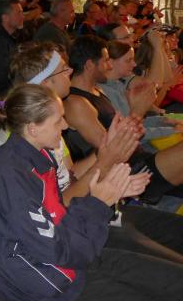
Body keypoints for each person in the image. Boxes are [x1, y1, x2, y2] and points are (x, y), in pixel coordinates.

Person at [0, 83, 183, 301]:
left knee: (176, 285)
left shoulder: (35, 155)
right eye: (58, 120)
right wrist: (99, 202)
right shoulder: (11, 177)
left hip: (71, 257)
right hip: (48, 289)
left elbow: (59, 217)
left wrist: (113, 192)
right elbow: (54, 249)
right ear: (33, 128)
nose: (65, 125)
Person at [4, 42, 183, 263]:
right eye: (63, 69)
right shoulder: (28, 137)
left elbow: (70, 177)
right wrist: (108, 157)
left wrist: (103, 153)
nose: (71, 69)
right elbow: (57, 207)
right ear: (46, 83)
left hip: (95, 201)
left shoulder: (49, 123)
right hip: (74, 230)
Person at [63, 35, 183, 202]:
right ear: (90, 65)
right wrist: (137, 112)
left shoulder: (97, 91)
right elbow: (112, 150)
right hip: (129, 171)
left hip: (139, 158)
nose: (109, 65)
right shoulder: (76, 103)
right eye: (106, 61)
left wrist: (151, 117)